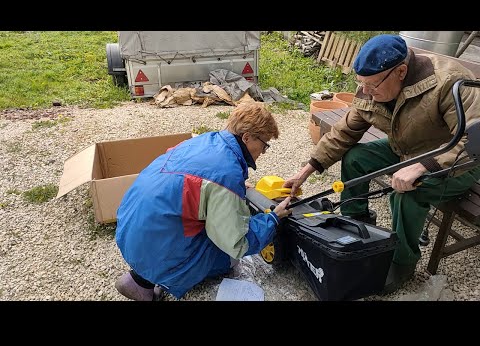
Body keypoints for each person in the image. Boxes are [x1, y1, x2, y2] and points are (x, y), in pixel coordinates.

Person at [283, 34, 480, 294]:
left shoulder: (450, 82)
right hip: (406, 148)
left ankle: (402, 262)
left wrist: (422, 167)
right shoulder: (370, 87)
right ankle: (357, 223)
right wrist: (306, 170)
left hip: (458, 160)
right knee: (355, 158)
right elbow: (345, 132)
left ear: (400, 71)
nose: (366, 92)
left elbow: (474, 141)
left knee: (409, 191)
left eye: (372, 85)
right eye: (361, 83)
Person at [114, 102, 292, 301]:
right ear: (247, 138)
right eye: (264, 143)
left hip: (129, 233)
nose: (264, 150)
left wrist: (236, 186)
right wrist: (272, 219)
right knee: (230, 257)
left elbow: (195, 179)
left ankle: (139, 279)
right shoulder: (225, 175)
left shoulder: (205, 141)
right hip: (157, 247)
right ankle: (157, 278)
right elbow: (236, 243)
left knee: (179, 223)